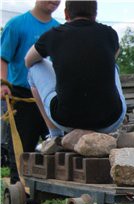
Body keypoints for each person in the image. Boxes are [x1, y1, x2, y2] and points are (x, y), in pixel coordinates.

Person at [25, 0, 126, 154]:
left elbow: (28, 60)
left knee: (34, 68)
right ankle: (103, 134)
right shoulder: (109, 33)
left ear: (66, 14)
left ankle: (55, 135)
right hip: (111, 119)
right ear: (95, 15)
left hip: (66, 119)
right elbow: (112, 57)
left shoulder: (53, 34)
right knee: (113, 66)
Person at [1, 1, 61, 183]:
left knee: (57, 144)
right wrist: (3, 83)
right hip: (22, 95)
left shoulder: (58, 30)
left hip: (50, 95)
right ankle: (19, 188)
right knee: (23, 145)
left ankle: (55, 189)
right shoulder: (17, 25)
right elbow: (3, 58)